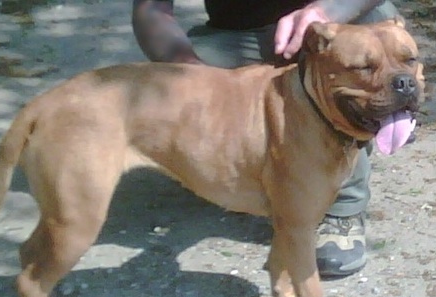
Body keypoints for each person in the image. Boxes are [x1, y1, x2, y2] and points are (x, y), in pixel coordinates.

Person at [131, 0, 401, 278]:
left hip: (339, 19)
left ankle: (343, 208)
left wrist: (324, 13)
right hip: (236, 35)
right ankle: (239, 172)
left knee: (368, 44)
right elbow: (151, 10)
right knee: (185, 86)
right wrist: (188, 68)